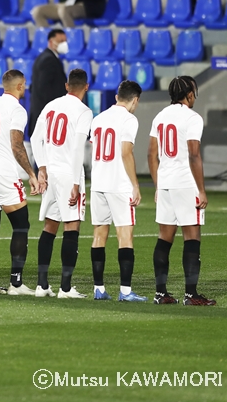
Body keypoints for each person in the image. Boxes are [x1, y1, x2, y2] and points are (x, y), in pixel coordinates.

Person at [0, 69, 43, 295]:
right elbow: (16, 145)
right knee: (21, 225)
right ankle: (16, 283)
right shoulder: (17, 109)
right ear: (21, 86)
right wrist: (32, 175)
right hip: (0, 172)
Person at [148, 76, 215, 306]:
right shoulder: (193, 118)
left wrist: (158, 184)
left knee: (164, 239)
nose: (195, 96)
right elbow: (194, 154)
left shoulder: (160, 116)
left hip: (166, 183)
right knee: (192, 237)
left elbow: (151, 154)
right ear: (188, 94)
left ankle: (160, 293)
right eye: (194, 92)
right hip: (186, 183)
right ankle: (191, 294)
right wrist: (202, 190)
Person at [30, 69, 92, 299]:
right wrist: (76, 181)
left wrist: (42, 167)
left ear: (67, 86)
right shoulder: (84, 112)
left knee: (50, 226)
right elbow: (78, 147)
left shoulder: (51, 105)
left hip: (52, 171)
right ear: (86, 87)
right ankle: (65, 288)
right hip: (68, 172)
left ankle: (42, 285)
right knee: (72, 227)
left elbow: (36, 138)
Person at [89, 80, 146, 302]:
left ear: (116, 97)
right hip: (119, 185)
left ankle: (99, 288)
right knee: (125, 236)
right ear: (135, 100)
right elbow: (125, 153)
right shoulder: (129, 120)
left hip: (98, 184)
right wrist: (135, 185)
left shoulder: (98, 118)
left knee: (99, 235)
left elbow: (96, 149)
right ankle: (125, 292)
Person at [29, 29, 68, 137]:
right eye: (60, 41)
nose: (64, 44)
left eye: (65, 41)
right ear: (51, 42)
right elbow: (44, 89)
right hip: (45, 118)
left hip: (41, 115)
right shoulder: (49, 60)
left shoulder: (43, 57)